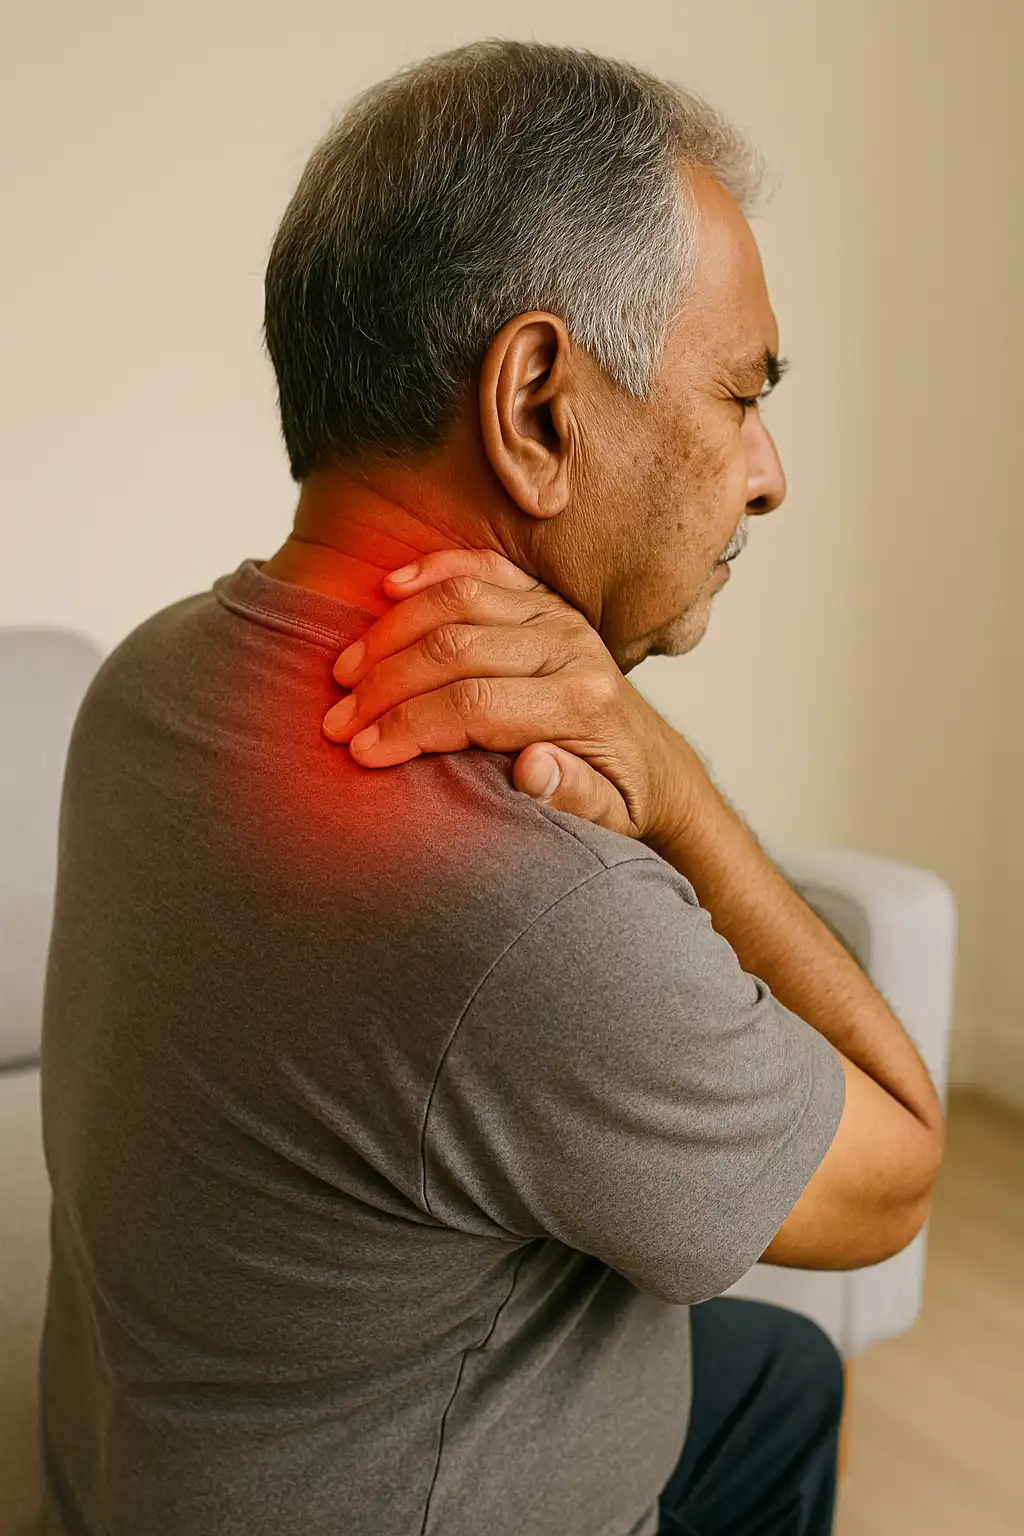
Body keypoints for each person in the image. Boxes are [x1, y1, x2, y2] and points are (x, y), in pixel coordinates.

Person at [38, 39, 944, 1536]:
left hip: (164, 1470)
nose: (769, 471)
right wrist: (669, 787)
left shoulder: (145, 682)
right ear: (537, 406)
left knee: (779, 1372)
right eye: (740, 393)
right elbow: (901, 1170)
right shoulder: (532, 899)